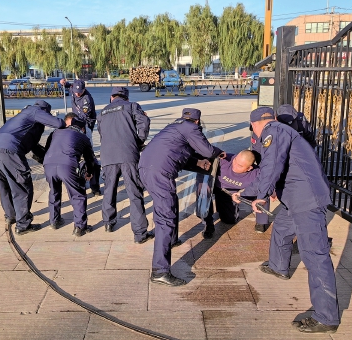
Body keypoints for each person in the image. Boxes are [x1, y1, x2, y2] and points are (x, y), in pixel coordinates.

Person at [235, 106, 339, 334]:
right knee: (281, 227)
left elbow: (271, 167)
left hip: (306, 201)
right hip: (295, 198)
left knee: (315, 256)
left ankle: (326, 316)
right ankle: (278, 267)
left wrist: (261, 196)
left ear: (255, 124)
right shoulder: (281, 131)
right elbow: (267, 173)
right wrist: (244, 192)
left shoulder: (275, 131)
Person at [139, 108, 225, 286]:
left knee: (169, 204)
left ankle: (171, 240)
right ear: (197, 121)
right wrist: (219, 152)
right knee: (166, 218)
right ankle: (160, 271)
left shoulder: (173, 128)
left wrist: (197, 163)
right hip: (160, 173)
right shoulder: (191, 128)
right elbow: (208, 151)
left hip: (147, 168)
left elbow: (176, 154)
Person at [0, 100, 66, 235]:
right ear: (44, 111)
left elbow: (34, 149)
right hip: (9, 151)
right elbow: (59, 123)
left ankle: (11, 216)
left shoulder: (24, 119)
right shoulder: (34, 111)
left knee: (4, 185)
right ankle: (23, 224)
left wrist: (48, 161)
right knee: (22, 186)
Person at [97, 87, 153, 243]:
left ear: (111, 97)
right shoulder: (132, 106)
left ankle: (108, 222)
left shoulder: (102, 113)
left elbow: (102, 134)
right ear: (126, 98)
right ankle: (140, 233)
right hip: (128, 154)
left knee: (109, 190)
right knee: (134, 192)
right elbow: (144, 122)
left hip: (108, 156)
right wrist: (138, 142)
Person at [43, 113, 96, 236]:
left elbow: (47, 149)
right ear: (82, 129)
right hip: (67, 165)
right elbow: (89, 159)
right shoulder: (83, 137)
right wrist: (89, 172)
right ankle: (80, 227)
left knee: (54, 192)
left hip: (48, 164)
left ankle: (54, 221)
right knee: (77, 195)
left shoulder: (55, 132)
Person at [201, 150, 269, 238]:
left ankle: (224, 207)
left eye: (240, 166)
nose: (234, 166)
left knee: (229, 220)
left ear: (249, 168)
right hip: (214, 186)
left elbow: (265, 188)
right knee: (203, 194)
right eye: (235, 161)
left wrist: (242, 195)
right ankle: (208, 225)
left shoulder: (256, 174)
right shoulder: (225, 159)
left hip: (231, 194)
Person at [70, 79, 101, 196]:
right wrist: (64, 83)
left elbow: (84, 117)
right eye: (75, 92)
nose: (77, 94)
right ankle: (79, 183)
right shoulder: (73, 90)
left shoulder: (87, 99)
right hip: (75, 124)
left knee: (89, 155)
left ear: (84, 89)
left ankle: (94, 186)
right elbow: (69, 86)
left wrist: (78, 127)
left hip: (85, 125)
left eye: (80, 92)